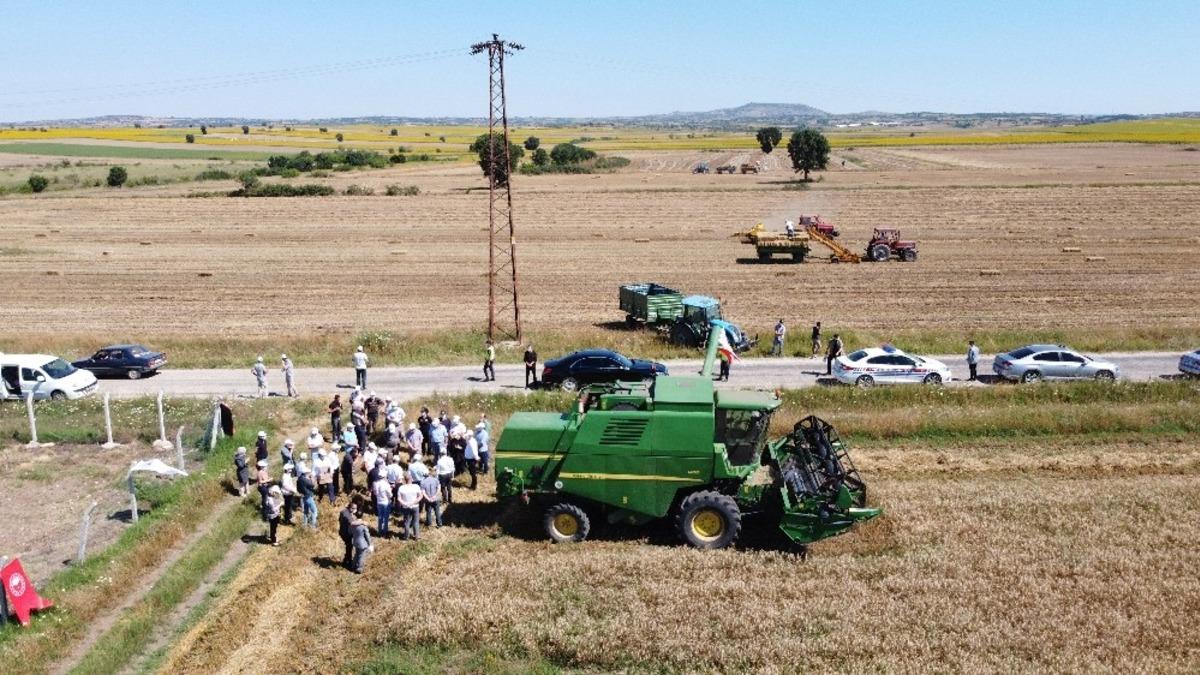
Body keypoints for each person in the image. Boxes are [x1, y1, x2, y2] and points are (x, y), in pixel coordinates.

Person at [395, 475, 423, 540]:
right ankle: (416, 536)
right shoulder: (416, 486)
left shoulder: (401, 488)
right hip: (415, 506)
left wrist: (405, 503)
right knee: (416, 521)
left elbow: (399, 498)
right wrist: (414, 502)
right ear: (411, 479)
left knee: (407, 522)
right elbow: (420, 496)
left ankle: (406, 536)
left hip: (405, 507)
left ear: (405, 480)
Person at [339, 498, 361, 569]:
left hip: (345, 531)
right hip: (345, 533)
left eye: (356, 508)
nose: (355, 510)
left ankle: (347, 560)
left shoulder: (345, 511)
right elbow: (352, 522)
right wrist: (362, 522)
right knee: (349, 546)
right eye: (354, 508)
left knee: (349, 546)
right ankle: (347, 561)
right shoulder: (346, 513)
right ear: (350, 508)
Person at [371, 469, 392, 538]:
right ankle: (385, 532)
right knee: (386, 518)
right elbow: (390, 495)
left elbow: (375, 493)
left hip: (379, 501)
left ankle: (379, 531)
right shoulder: (386, 485)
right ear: (384, 477)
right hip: (386, 502)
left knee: (380, 517)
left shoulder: (375, 483)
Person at [298, 463, 318, 528]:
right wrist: (311, 478)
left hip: (304, 496)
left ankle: (305, 524)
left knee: (306, 511)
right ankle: (313, 526)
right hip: (308, 496)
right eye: (308, 472)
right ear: (306, 473)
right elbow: (312, 485)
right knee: (314, 511)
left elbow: (298, 488)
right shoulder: (305, 479)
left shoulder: (299, 479)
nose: (309, 473)